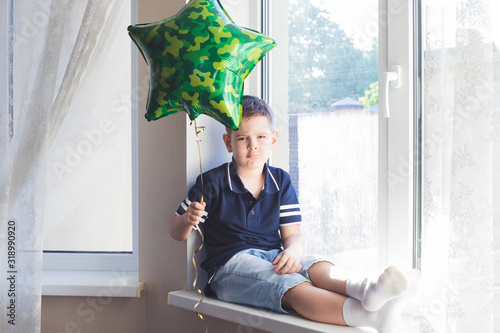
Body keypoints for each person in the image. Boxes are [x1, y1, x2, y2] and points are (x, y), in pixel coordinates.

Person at [169, 95, 410, 332]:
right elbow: (175, 232)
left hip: (274, 255)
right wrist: (187, 220)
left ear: (273, 139)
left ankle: (366, 289)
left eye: (261, 137)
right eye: (243, 138)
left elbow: (293, 235)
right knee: (287, 284)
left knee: (312, 264)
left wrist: (294, 251)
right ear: (228, 142)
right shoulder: (211, 182)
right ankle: (372, 317)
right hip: (230, 269)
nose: (253, 145)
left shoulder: (280, 180)